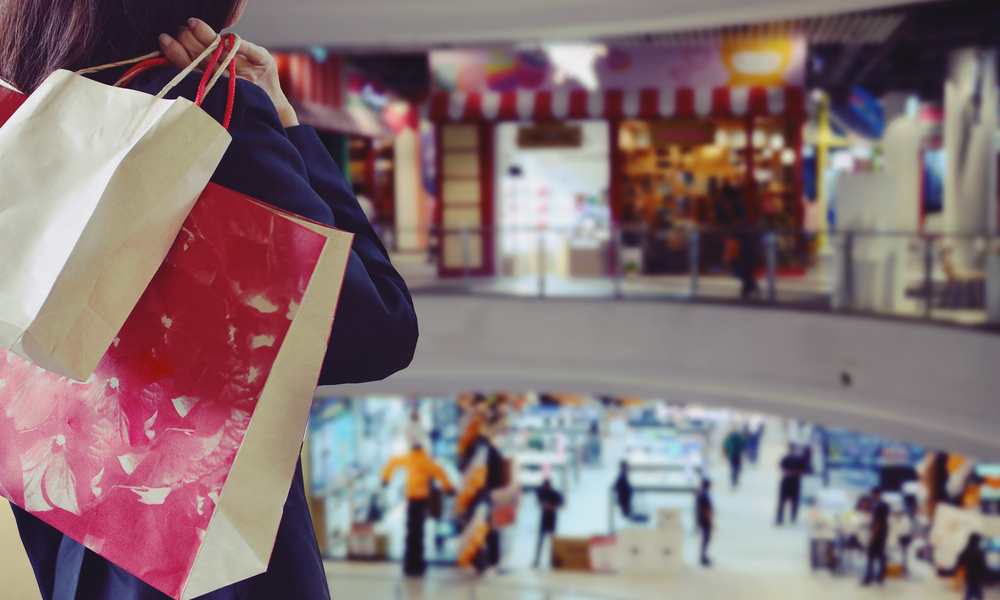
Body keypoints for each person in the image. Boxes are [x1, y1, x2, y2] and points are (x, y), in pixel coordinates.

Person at [1, 6, 418, 599]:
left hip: (71, 540)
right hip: (199, 555)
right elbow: (377, 332)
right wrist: (286, 125)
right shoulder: (207, 116)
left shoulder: (23, 116)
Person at [382, 444, 454, 577]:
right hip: (421, 501)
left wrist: (385, 478)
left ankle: (410, 564)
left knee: (411, 533)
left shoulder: (408, 458)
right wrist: (448, 488)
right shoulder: (426, 461)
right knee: (419, 533)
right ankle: (418, 564)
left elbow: (392, 462)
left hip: (411, 499)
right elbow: (440, 472)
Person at [532, 478, 565, 568]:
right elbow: (539, 502)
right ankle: (537, 560)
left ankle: (552, 561)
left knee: (552, 541)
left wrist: (552, 506)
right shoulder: (542, 492)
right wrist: (544, 505)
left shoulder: (554, 494)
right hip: (544, 518)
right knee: (540, 541)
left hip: (552, 518)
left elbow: (561, 503)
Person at [862, 488, 890, 586]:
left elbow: (879, 522)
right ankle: (879, 576)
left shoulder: (880, 506)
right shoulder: (879, 505)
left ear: (876, 494)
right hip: (881, 532)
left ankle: (870, 576)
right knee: (880, 554)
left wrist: (873, 535)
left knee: (872, 553)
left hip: (878, 532)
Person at [776, 444, 808, 525]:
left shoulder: (799, 460)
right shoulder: (785, 458)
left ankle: (793, 516)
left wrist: (794, 473)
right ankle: (779, 518)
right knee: (782, 501)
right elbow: (781, 467)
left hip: (795, 482)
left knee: (794, 501)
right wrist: (787, 472)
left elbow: (803, 469)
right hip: (786, 481)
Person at [953, 533, 988, 600]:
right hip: (978, 578)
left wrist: (954, 570)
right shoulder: (980, 552)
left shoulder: (967, 550)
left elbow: (959, 560)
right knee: (975, 594)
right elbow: (984, 566)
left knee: (972, 593)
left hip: (970, 577)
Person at [696, 479, 714, 566]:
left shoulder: (701, 493)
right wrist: (710, 521)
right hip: (705, 521)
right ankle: (703, 557)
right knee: (706, 539)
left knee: (705, 539)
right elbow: (706, 510)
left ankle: (704, 556)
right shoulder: (704, 495)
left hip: (702, 520)